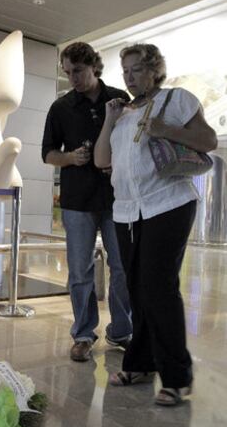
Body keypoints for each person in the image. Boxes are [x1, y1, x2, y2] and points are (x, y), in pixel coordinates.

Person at [94, 43, 217, 405]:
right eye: (125, 71)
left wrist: (165, 129)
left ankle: (178, 376)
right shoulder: (123, 113)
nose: (129, 77)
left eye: (136, 69)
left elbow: (208, 141)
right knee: (135, 286)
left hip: (169, 204)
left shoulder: (176, 99)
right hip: (127, 211)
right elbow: (103, 161)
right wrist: (108, 119)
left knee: (158, 287)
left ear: (153, 70)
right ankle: (141, 362)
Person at [42, 42, 133, 362]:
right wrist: (69, 157)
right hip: (77, 200)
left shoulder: (121, 100)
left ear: (94, 66)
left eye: (77, 71)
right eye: (67, 73)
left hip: (118, 197)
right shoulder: (61, 107)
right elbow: (47, 154)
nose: (73, 80)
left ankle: (122, 330)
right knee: (80, 271)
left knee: (122, 266)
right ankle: (83, 332)